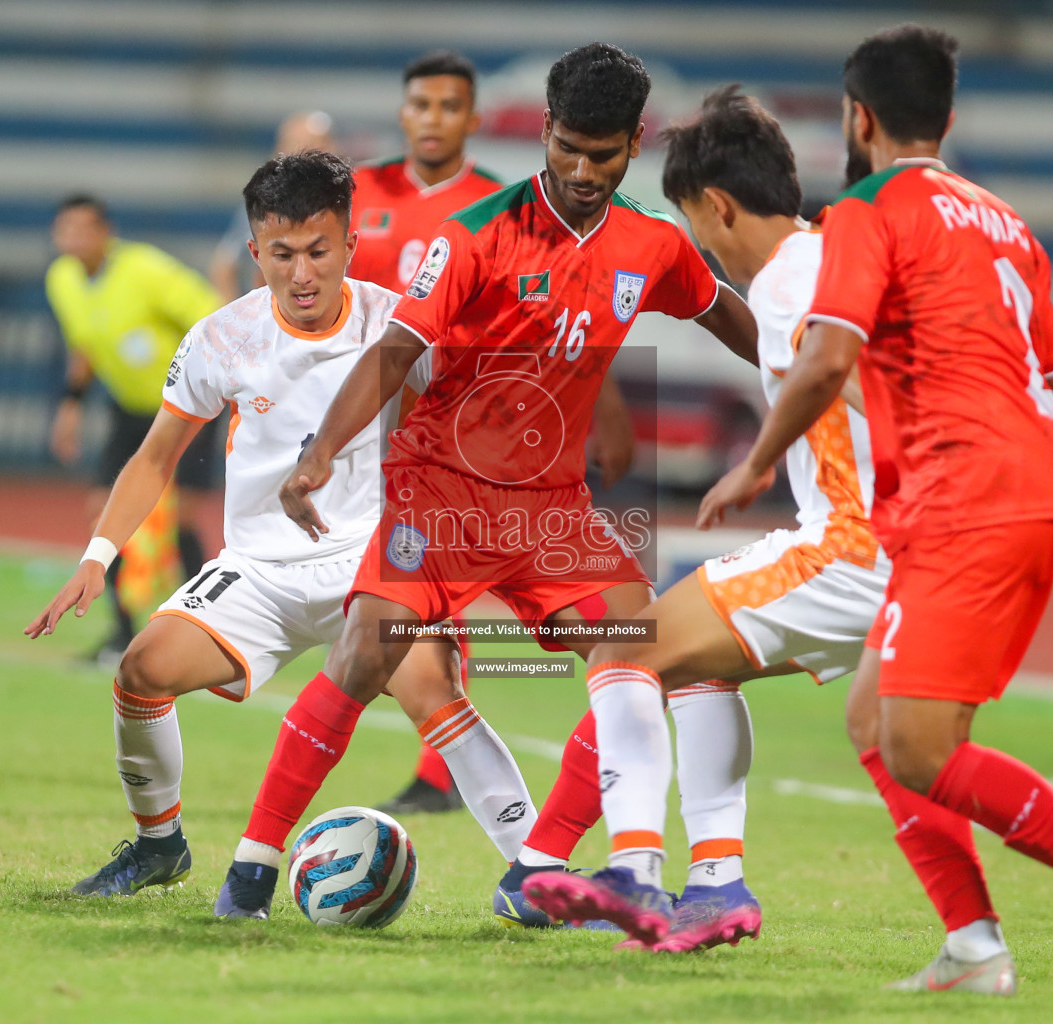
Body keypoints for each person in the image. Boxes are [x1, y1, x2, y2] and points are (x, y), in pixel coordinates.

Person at [572, 25, 1053, 1004]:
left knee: (877, 730)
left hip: (948, 507)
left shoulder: (866, 218)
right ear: (949, 116)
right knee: (876, 722)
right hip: (1014, 493)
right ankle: (972, 940)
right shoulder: (1003, 221)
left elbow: (831, 362)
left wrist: (757, 464)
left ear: (856, 119)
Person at [251, 42, 761, 925]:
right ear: (546, 133)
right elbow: (398, 348)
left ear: (635, 142)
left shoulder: (654, 245)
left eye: (603, 154)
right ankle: (252, 868)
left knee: (635, 648)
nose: (583, 169)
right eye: (567, 147)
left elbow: (728, 315)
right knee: (367, 653)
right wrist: (321, 452)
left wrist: (814, 386)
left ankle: (537, 869)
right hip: (437, 490)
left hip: (552, 508)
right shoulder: (477, 233)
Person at [25, 152, 537, 919]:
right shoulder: (220, 338)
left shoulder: (398, 327)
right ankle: (160, 843)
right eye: (282, 254)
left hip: (370, 560)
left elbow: (479, 428)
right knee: (142, 670)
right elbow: (156, 454)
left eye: (319, 251)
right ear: (256, 250)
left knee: (432, 688)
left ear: (349, 244)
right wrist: (98, 557)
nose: (302, 274)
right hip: (260, 569)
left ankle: (535, 870)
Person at [508, 85, 888, 955]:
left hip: (853, 544)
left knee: (625, 645)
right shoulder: (838, 257)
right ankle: (715, 883)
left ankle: (634, 869)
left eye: (697, 225)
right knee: (700, 663)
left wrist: (756, 464)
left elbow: (856, 381)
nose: (705, 248)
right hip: (881, 551)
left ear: (716, 206)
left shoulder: (791, 281)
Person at [351, 50, 640, 816]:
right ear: (404, 111)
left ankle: (437, 767)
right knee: (371, 616)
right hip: (358, 417)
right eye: (422, 104)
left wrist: (605, 416)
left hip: (458, 435)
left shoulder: (501, 206)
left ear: (474, 120)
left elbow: (573, 326)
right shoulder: (357, 194)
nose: (434, 118)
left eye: (451, 106)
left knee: (428, 597)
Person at [45, 195, 223, 663]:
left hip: (187, 407)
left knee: (181, 520)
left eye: (85, 229)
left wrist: (212, 382)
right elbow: (83, 347)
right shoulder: (61, 279)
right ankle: (121, 633)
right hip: (127, 408)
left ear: (106, 231)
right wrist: (71, 405)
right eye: (66, 230)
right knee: (103, 512)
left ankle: (206, 633)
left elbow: (212, 316)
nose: (75, 240)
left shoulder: (146, 269)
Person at [208, 111, 338, 302]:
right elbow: (225, 266)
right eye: (300, 146)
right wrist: (236, 321)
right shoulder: (265, 205)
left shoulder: (348, 202)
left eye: (319, 145)